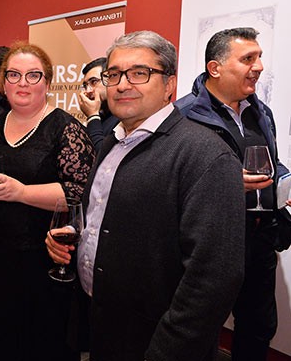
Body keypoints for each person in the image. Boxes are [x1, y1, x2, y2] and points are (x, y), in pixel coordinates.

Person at [46, 30, 246, 361]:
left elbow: (214, 277)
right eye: (113, 74)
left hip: (160, 341)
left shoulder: (206, 155)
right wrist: (75, 235)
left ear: (169, 84)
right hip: (106, 327)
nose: (123, 84)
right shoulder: (112, 142)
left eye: (139, 73)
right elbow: (108, 215)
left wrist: (168, 350)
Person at [0, 41, 95, 361]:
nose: (22, 83)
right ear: (2, 82)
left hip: (45, 262)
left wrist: (22, 193)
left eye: (33, 75)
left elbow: (81, 192)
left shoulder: (66, 129)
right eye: (14, 75)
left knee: (40, 346)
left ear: (47, 83)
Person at [175, 27, 291, 361]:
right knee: (199, 328)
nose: (259, 66)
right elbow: (171, 182)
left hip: (260, 237)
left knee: (259, 326)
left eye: (259, 57)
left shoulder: (261, 111)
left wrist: (285, 179)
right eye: (248, 58)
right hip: (210, 241)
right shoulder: (184, 116)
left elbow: (271, 162)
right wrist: (223, 182)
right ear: (215, 68)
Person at [77, 57, 119, 152]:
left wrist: (92, 116)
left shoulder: (124, 118)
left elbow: (102, 155)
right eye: (85, 85)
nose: (88, 90)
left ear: (111, 80)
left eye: (94, 82)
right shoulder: (101, 118)